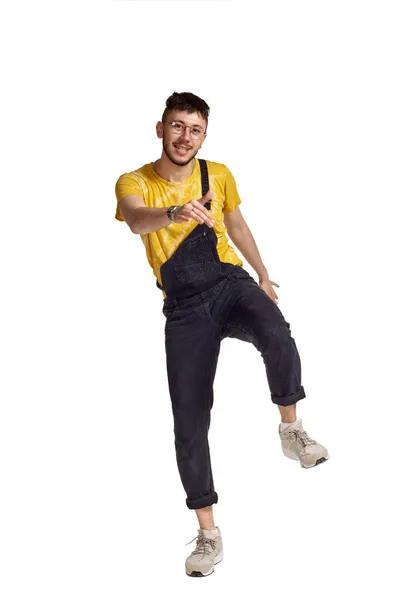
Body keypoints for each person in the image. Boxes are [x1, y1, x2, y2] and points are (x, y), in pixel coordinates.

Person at [114, 91, 329, 577]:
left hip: (229, 283)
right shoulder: (135, 182)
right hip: (185, 307)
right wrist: (175, 213)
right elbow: (133, 219)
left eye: (194, 129)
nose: (184, 137)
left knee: (277, 330)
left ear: (204, 135)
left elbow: (234, 220)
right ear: (160, 128)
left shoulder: (218, 174)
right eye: (176, 126)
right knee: (189, 421)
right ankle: (208, 534)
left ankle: (291, 429)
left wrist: (262, 272)